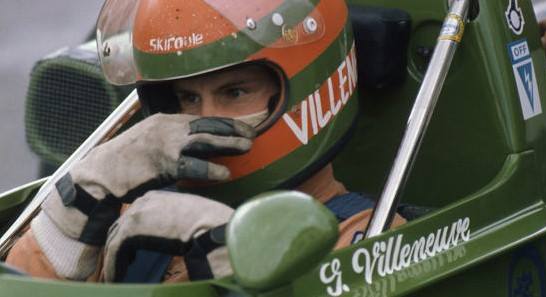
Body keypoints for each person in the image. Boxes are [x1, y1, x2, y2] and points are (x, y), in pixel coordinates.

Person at [6, 0, 406, 283]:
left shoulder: (369, 239)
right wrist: (70, 214)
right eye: (187, 98)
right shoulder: (135, 216)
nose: (203, 120)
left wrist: (234, 269)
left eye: (234, 93)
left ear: (312, 90)